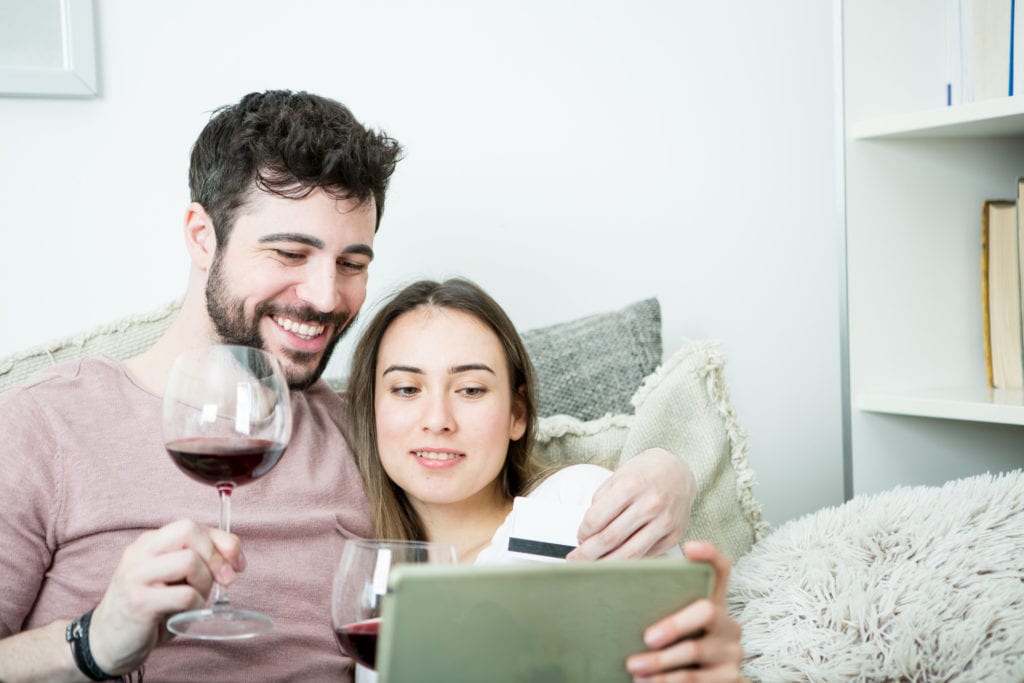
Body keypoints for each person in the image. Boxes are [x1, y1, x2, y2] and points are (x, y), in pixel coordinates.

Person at [0, 90, 698, 682]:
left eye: (351, 261)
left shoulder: (366, 430)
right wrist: (91, 640)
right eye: (290, 252)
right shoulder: (48, 425)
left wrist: (670, 471)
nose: (324, 295)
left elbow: (507, 526)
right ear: (201, 235)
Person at [347, 277, 743, 680]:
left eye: (470, 390)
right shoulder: (371, 602)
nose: (437, 421)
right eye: (407, 389)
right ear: (371, 412)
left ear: (518, 414)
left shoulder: (580, 508)